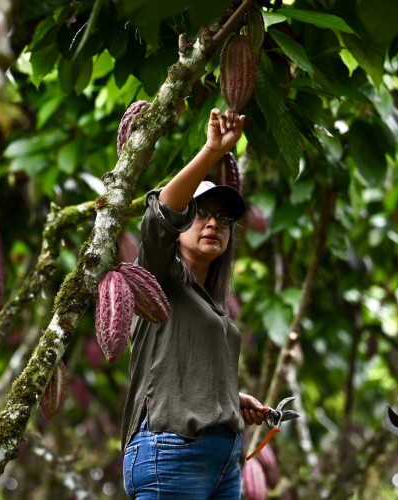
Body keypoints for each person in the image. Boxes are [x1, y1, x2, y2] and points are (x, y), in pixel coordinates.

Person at [121, 108, 266, 499]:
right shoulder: (158, 278)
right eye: (202, 214)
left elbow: (175, 368)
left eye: (224, 219)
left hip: (222, 464)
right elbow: (160, 218)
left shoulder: (214, 306)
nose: (214, 224)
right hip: (170, 454)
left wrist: (228, 399)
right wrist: (211, 151)